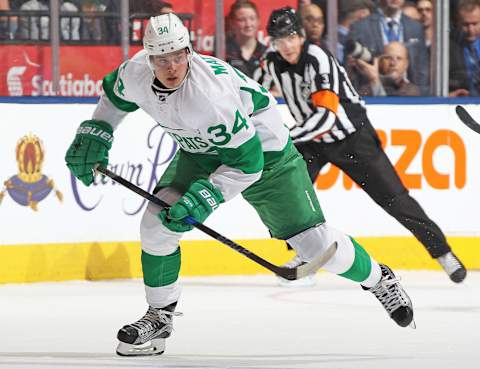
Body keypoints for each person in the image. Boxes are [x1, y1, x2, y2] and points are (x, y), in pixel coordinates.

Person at [65, 12, 415, 356]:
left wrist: (205, 197)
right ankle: (160, 315)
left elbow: (247, 163)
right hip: (200, 151)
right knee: (156, 224)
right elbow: (116, 95)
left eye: (177, 57)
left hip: (266, 154)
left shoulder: (210, 97)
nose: (170, 66)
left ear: (189, 52)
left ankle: (379, 279)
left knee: (313, 243)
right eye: (161, 59)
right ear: (149, 57)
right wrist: (100, 128)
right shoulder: (137, 71)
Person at [261, 7, 466, 283]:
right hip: (312, 142)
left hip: (352, 138)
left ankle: (442, 252)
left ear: (301, 35)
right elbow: (258, 93)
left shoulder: (317, 59)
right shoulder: (272, 61)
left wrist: (287, 138)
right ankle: (306, 254)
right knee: (292, 193)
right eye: (279, 39)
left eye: (290, 36)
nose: (285, 45)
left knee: (394, 198)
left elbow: (326, 116)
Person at [347, 0, 430, 94]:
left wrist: (421, 97)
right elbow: (350, 67)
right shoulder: (360, 27)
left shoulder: (416, 28)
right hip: (371, 95)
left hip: (408, 96)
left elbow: (421, 69)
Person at [353, 41, 421, 96]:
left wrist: (374, 81)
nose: (393, 63)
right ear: (380, 61)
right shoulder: (366, 90)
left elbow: (388, 110)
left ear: (406, 64)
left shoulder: (412, 91)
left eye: (399, 58)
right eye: (388, 58)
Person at [225, 0, 267, 79]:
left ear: (258, 21)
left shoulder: (267, 54)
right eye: (242, 20)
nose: (248, 24)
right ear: (232, 23)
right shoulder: (224, 53)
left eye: (252, 18)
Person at [449, 0, 480, 97]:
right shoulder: (447, 47)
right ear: (458, 22)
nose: (471, 30)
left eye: (475, 24)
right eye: (465, 25)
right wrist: (447, 95)